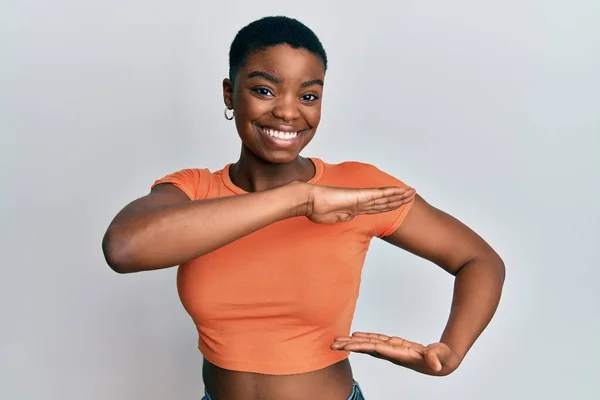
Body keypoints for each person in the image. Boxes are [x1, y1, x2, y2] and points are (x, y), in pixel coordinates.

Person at [101, 16, 505, 400]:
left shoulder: (356, 188)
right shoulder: (193, 190)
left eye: (309, 95)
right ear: (229, 92)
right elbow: (124, 249)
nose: (289, 111)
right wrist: (299, 200)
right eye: (264, 90)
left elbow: (478, 259)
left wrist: (451, 351)